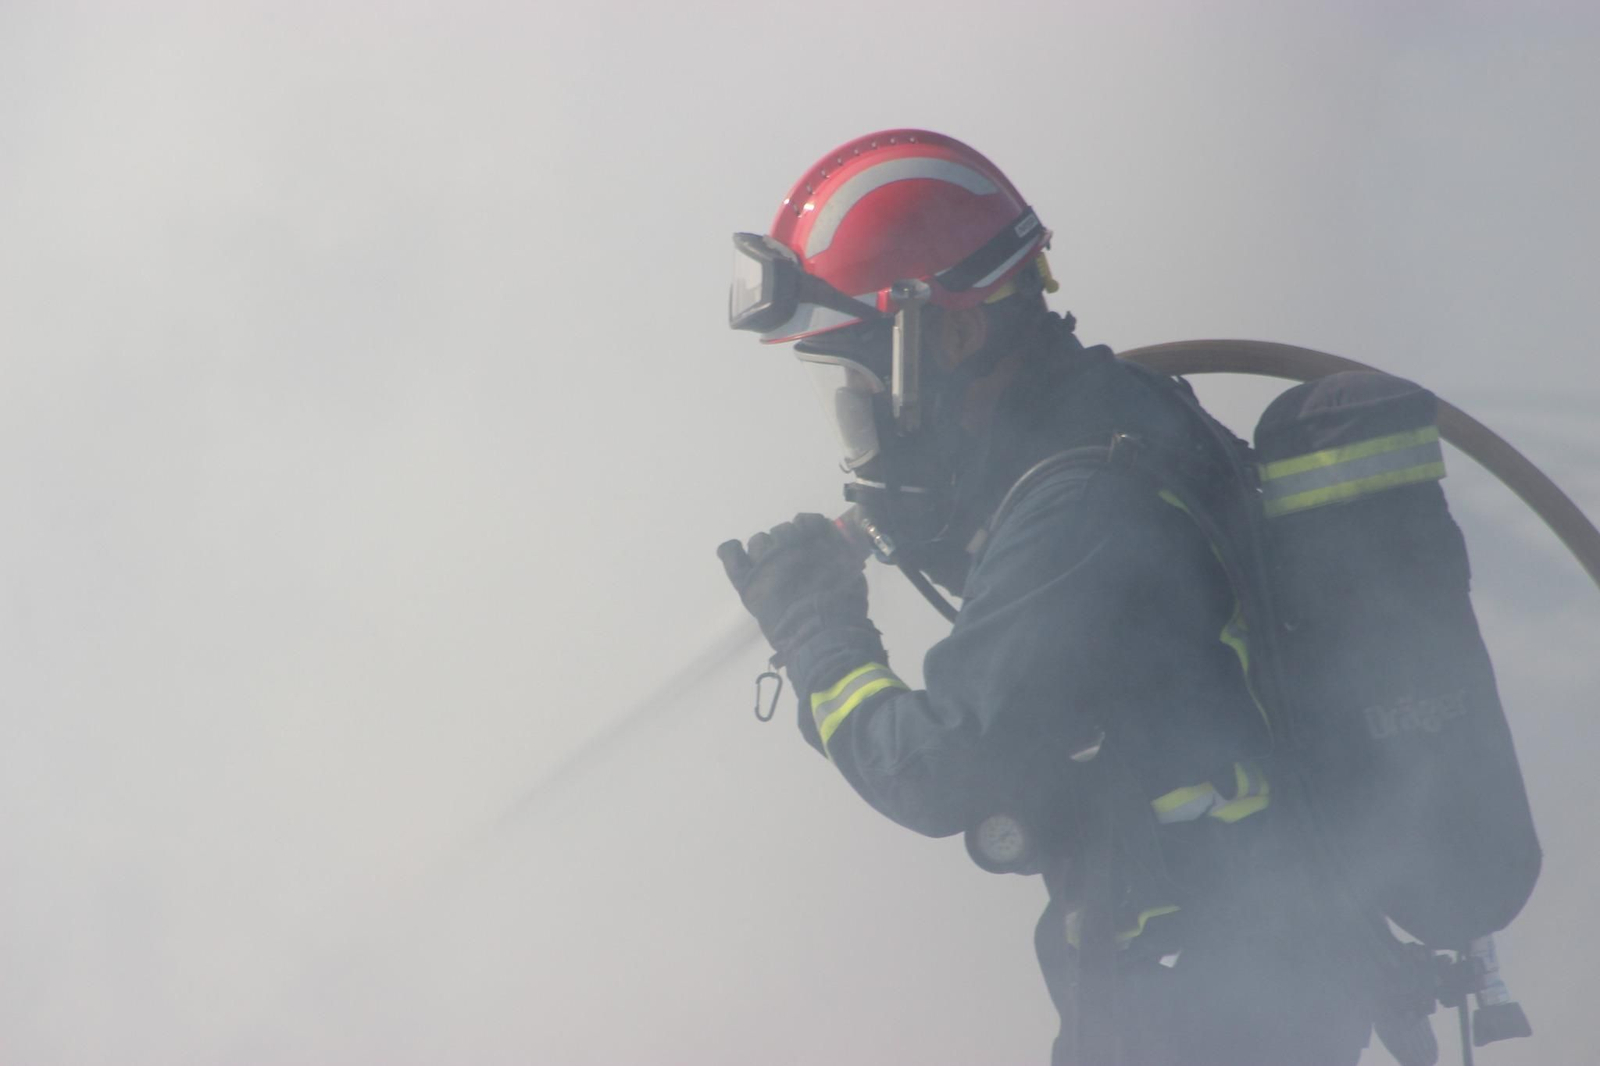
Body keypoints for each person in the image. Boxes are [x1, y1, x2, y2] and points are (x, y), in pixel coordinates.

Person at [717, 129, 1374, 1065]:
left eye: (856, 388)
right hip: (1245, 976)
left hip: (1211, 1007)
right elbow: (1077, 637)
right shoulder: (1113, 424)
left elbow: (939, 770)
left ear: (945, 332)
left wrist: (819, 636)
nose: (856, 435)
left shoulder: (1080, 506)